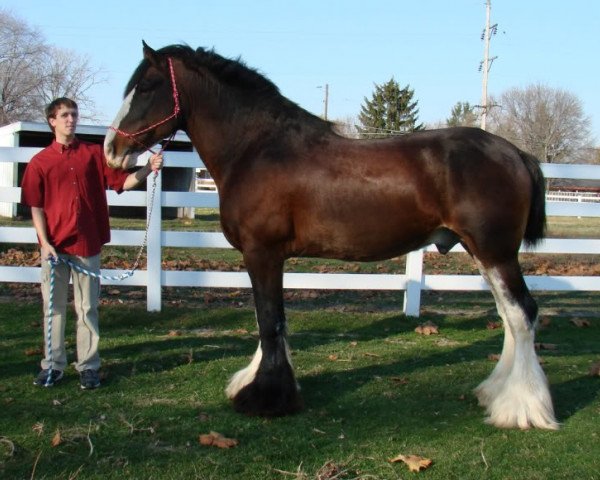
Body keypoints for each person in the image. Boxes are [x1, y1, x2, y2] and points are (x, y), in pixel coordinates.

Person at [20, 97, 163, 389]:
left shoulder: (93, 154)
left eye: (73, 114)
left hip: (87, 244)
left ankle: (88, 366)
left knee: (87, 309)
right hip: (55, 249)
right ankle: (53, 366)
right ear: (52, 121)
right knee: (54, 309)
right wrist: (44, 243)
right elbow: (35, 206)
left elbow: (121, 183)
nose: (71, 119)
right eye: (64, 115)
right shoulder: (39, 163)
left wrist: (148, 168)